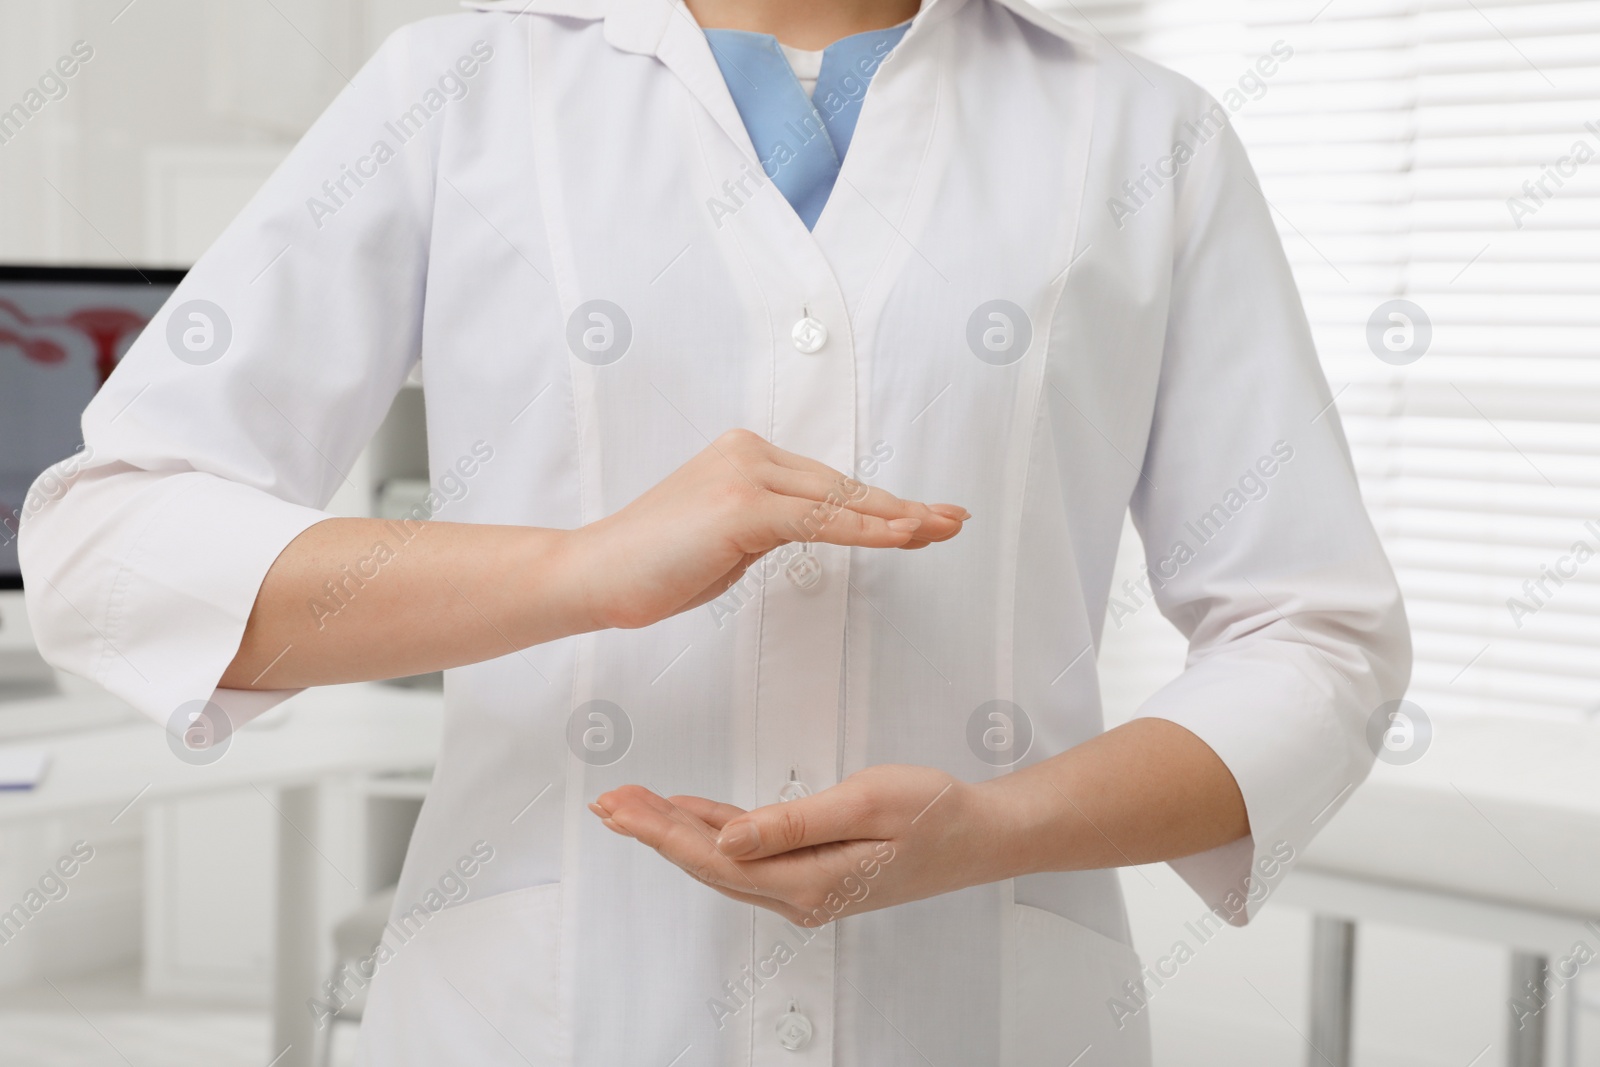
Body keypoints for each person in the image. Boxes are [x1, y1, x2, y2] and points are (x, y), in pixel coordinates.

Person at [20, 0, 1411, 1063]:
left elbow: (1317, 635)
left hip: (978, 1013)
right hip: (540, 1019)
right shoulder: (462, 86)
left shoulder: (1143, 137)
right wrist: (579, 569)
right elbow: (112, 543)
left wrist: (995, 829)